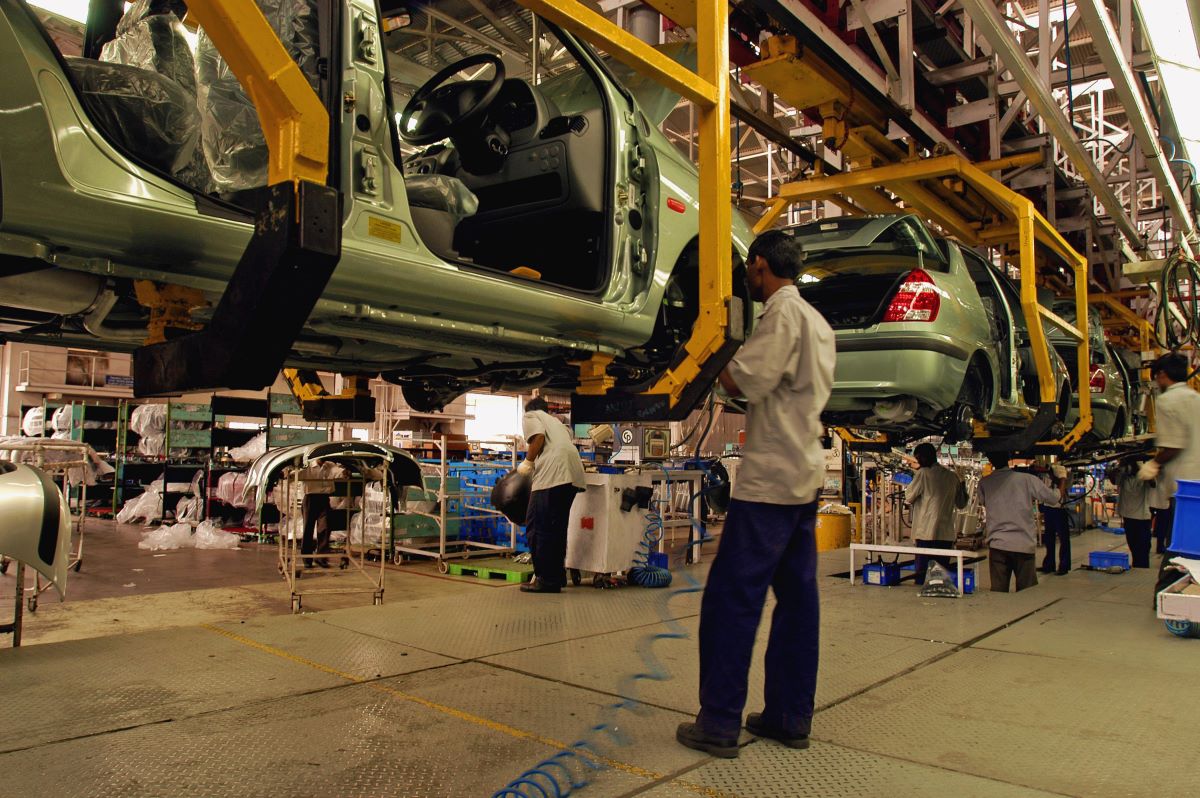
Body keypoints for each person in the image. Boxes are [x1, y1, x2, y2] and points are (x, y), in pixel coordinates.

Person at [675, 230, 835, 758]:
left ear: (760, 266)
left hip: (769, 484)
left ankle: (719, 722)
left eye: (749, 270)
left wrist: (704, 343)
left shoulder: (781, 317)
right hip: (806, 480)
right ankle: (789, 717)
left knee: (731, 601)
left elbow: (745, 382)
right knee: (797, 602)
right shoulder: (818, 323)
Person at [1138, 354, 1200, 601]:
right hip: (1197, 481)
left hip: (1185, 486)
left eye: (1156, 377)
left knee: (1178, 544)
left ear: (1162, 374)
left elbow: (1174, 444)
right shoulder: (1195, 398)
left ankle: (1164, 596)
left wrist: (1153, 464)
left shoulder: (1168, 400)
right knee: (1191, 540)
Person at [517, 396, 586, 594]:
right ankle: (557, 577)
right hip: (572, 473)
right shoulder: (557, 422)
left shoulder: (531, 416)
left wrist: (527, 462)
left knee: (538, 528)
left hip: (553, 474)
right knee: (557, 528)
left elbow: (537, 437)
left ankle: (546, 580)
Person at [977, 451, 1065, 592]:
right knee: (1027, 596)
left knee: (998, 595)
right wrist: (1062, 480)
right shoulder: (1027, 480)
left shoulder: (984, 483)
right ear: (1009, 459)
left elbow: (983, 502)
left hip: (998, 545)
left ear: (991, 461)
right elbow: (1054, 499)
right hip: (1023, 545)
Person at [906, 443, 967, 585]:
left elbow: (909, 497)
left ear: (926, 457)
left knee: (922, 577)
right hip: (945, 535)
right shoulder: (952, 477)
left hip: (925, 533)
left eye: (918, 458)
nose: (918, 462)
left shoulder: (923, 474)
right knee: (940, 576)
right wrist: (962, 484)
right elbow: (962, 503)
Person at [1111, 456, 1154, 568]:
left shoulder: (1143, 474)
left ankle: (1143, 570)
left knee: (1143, 549)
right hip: (1128, 517)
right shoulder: (1123, 476)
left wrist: (1141, 469)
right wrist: (1117, 468)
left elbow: (1153, 483)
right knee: (1134, 548)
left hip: (1142, 519)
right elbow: (1113, 479)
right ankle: (1137, 568)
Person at [1038, 463, 1072, 575]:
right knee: (1049, 539)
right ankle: (1049, 564)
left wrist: (1062, 478)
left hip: (1059, 509)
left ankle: (1064, 566)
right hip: (1048, 508)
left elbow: (1061, 493)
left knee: (1063, 539)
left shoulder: (1061, 471)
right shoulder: (1046, 475)